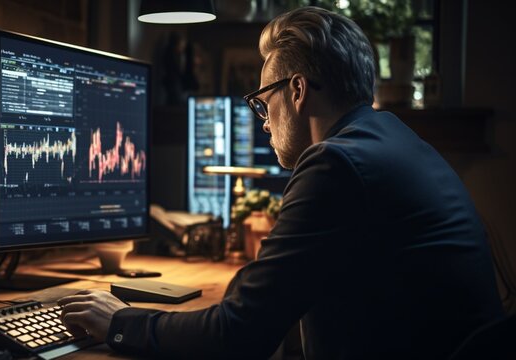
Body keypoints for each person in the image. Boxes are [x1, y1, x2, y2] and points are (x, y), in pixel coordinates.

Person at [59, 7, 504, 359]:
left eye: (261, 101)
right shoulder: (394, 139)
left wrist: (121, 322)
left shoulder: (336, 163)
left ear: (296, 91)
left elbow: (237, 335)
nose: (263, 124)